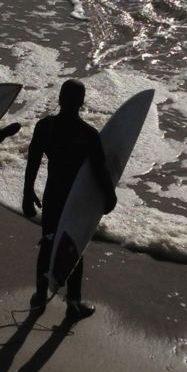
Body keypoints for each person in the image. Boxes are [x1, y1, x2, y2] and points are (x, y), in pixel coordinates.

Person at [23, 79, 116, 321]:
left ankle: (40, 295)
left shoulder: (45, 127)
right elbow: (100, 170)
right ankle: (73, 304)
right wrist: (109, 196)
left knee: (48, 242)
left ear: (60, 98)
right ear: (82, 102)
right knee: (74, 247)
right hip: (75, 200)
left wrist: (27, 192)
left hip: (53, 195)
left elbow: (33, 160)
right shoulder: (88, 134)